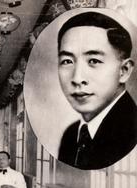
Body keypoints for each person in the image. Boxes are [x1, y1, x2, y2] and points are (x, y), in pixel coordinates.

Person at [56, 11, 137, 170]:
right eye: (67, 61)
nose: (77, 78)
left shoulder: (132, 129)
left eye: (93, 61)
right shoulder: (71, 135)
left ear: (124, 70)